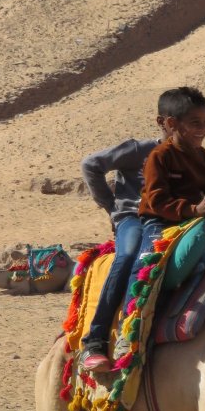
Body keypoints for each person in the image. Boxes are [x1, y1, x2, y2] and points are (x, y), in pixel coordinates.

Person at [107, 86, 205, 364]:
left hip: (198, 219)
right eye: (195, 123)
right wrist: (192, 209)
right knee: (147, 264)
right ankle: (129, 327)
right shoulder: (159, 157)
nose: (203, 129)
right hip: (160, 223)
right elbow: (157, 200)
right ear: (172, 124)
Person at [78, 130, 161, 373]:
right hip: (132, 218)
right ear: (167, 123)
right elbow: (90, 164)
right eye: (187, 124)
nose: (197, 130)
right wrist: (112, 207)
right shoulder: (138, 150)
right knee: (128, 255)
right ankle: (95, 340)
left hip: (166, 221)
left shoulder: (191, 156)